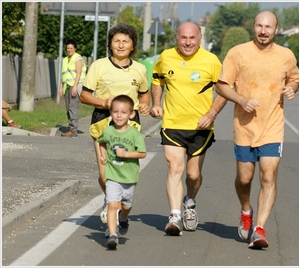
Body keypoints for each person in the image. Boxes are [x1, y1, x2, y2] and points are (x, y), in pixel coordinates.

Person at [215, 11, 299, 249]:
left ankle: (260, 228)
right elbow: (221, 86)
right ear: (254, 27)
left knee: (268, 175)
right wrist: (241, 100)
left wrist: (292, 88)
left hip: (273, 126)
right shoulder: (238, 53)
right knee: (244, 178)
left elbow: (294, 78)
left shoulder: (286, 55)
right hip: (244, 127)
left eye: (268, 27)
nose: (264, 31)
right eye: (259, 26)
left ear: (276, 29)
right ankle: (246, 211)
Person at [149, 22, 227, 236]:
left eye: (192, 38)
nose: (188, 42)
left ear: (200, 38)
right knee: (175, 168)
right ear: (176, 37)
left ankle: (189, 203)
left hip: (201, 128)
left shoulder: (211, 61)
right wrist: (156, 103)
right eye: (183, 37)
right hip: (172, 124)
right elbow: (157, 81)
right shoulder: (166, 56)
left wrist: (211, 114)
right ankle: (174, 216)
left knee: (193, 175)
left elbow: (224, 90)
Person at [79, 24, 150, 230]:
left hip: (130, 124)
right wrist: (104, 103)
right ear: (110, 44)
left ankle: (118, 206)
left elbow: (144, 93)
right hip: (103, 121)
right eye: (116, 41)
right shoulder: (99, 66)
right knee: (105, 174)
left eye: (125, 41)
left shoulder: (140, 69)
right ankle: (110, 200)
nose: (121, 45)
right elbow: (84, 95)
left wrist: (144, 104)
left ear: (133, 45)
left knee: (123, 171)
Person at [97, 95, 147, 249]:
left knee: (126, 206)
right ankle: (113, 235)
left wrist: (126, 154)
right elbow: (101, 142)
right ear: (111, 113)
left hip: (129, 177)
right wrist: (102, 154)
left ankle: (123, 219)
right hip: (113, 175)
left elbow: (142, 153)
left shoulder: (134, 134)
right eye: (115, 112)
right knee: (112, 204)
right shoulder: (108, 131)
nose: (119, 115)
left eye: (123, 112)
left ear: (131, 114)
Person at [58, 38, 87, 137]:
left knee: (72, 107)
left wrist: (75, 87)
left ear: (75, 48)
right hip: (67, 86)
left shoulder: (77, 58)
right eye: (68, 48)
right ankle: (70, 127)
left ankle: (73, 130)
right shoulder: (65, 59)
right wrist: (61, 87)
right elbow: (64, 75)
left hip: (75, 85)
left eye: (71, 48)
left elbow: (78, 73)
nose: (69, 50)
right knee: (68, 108)